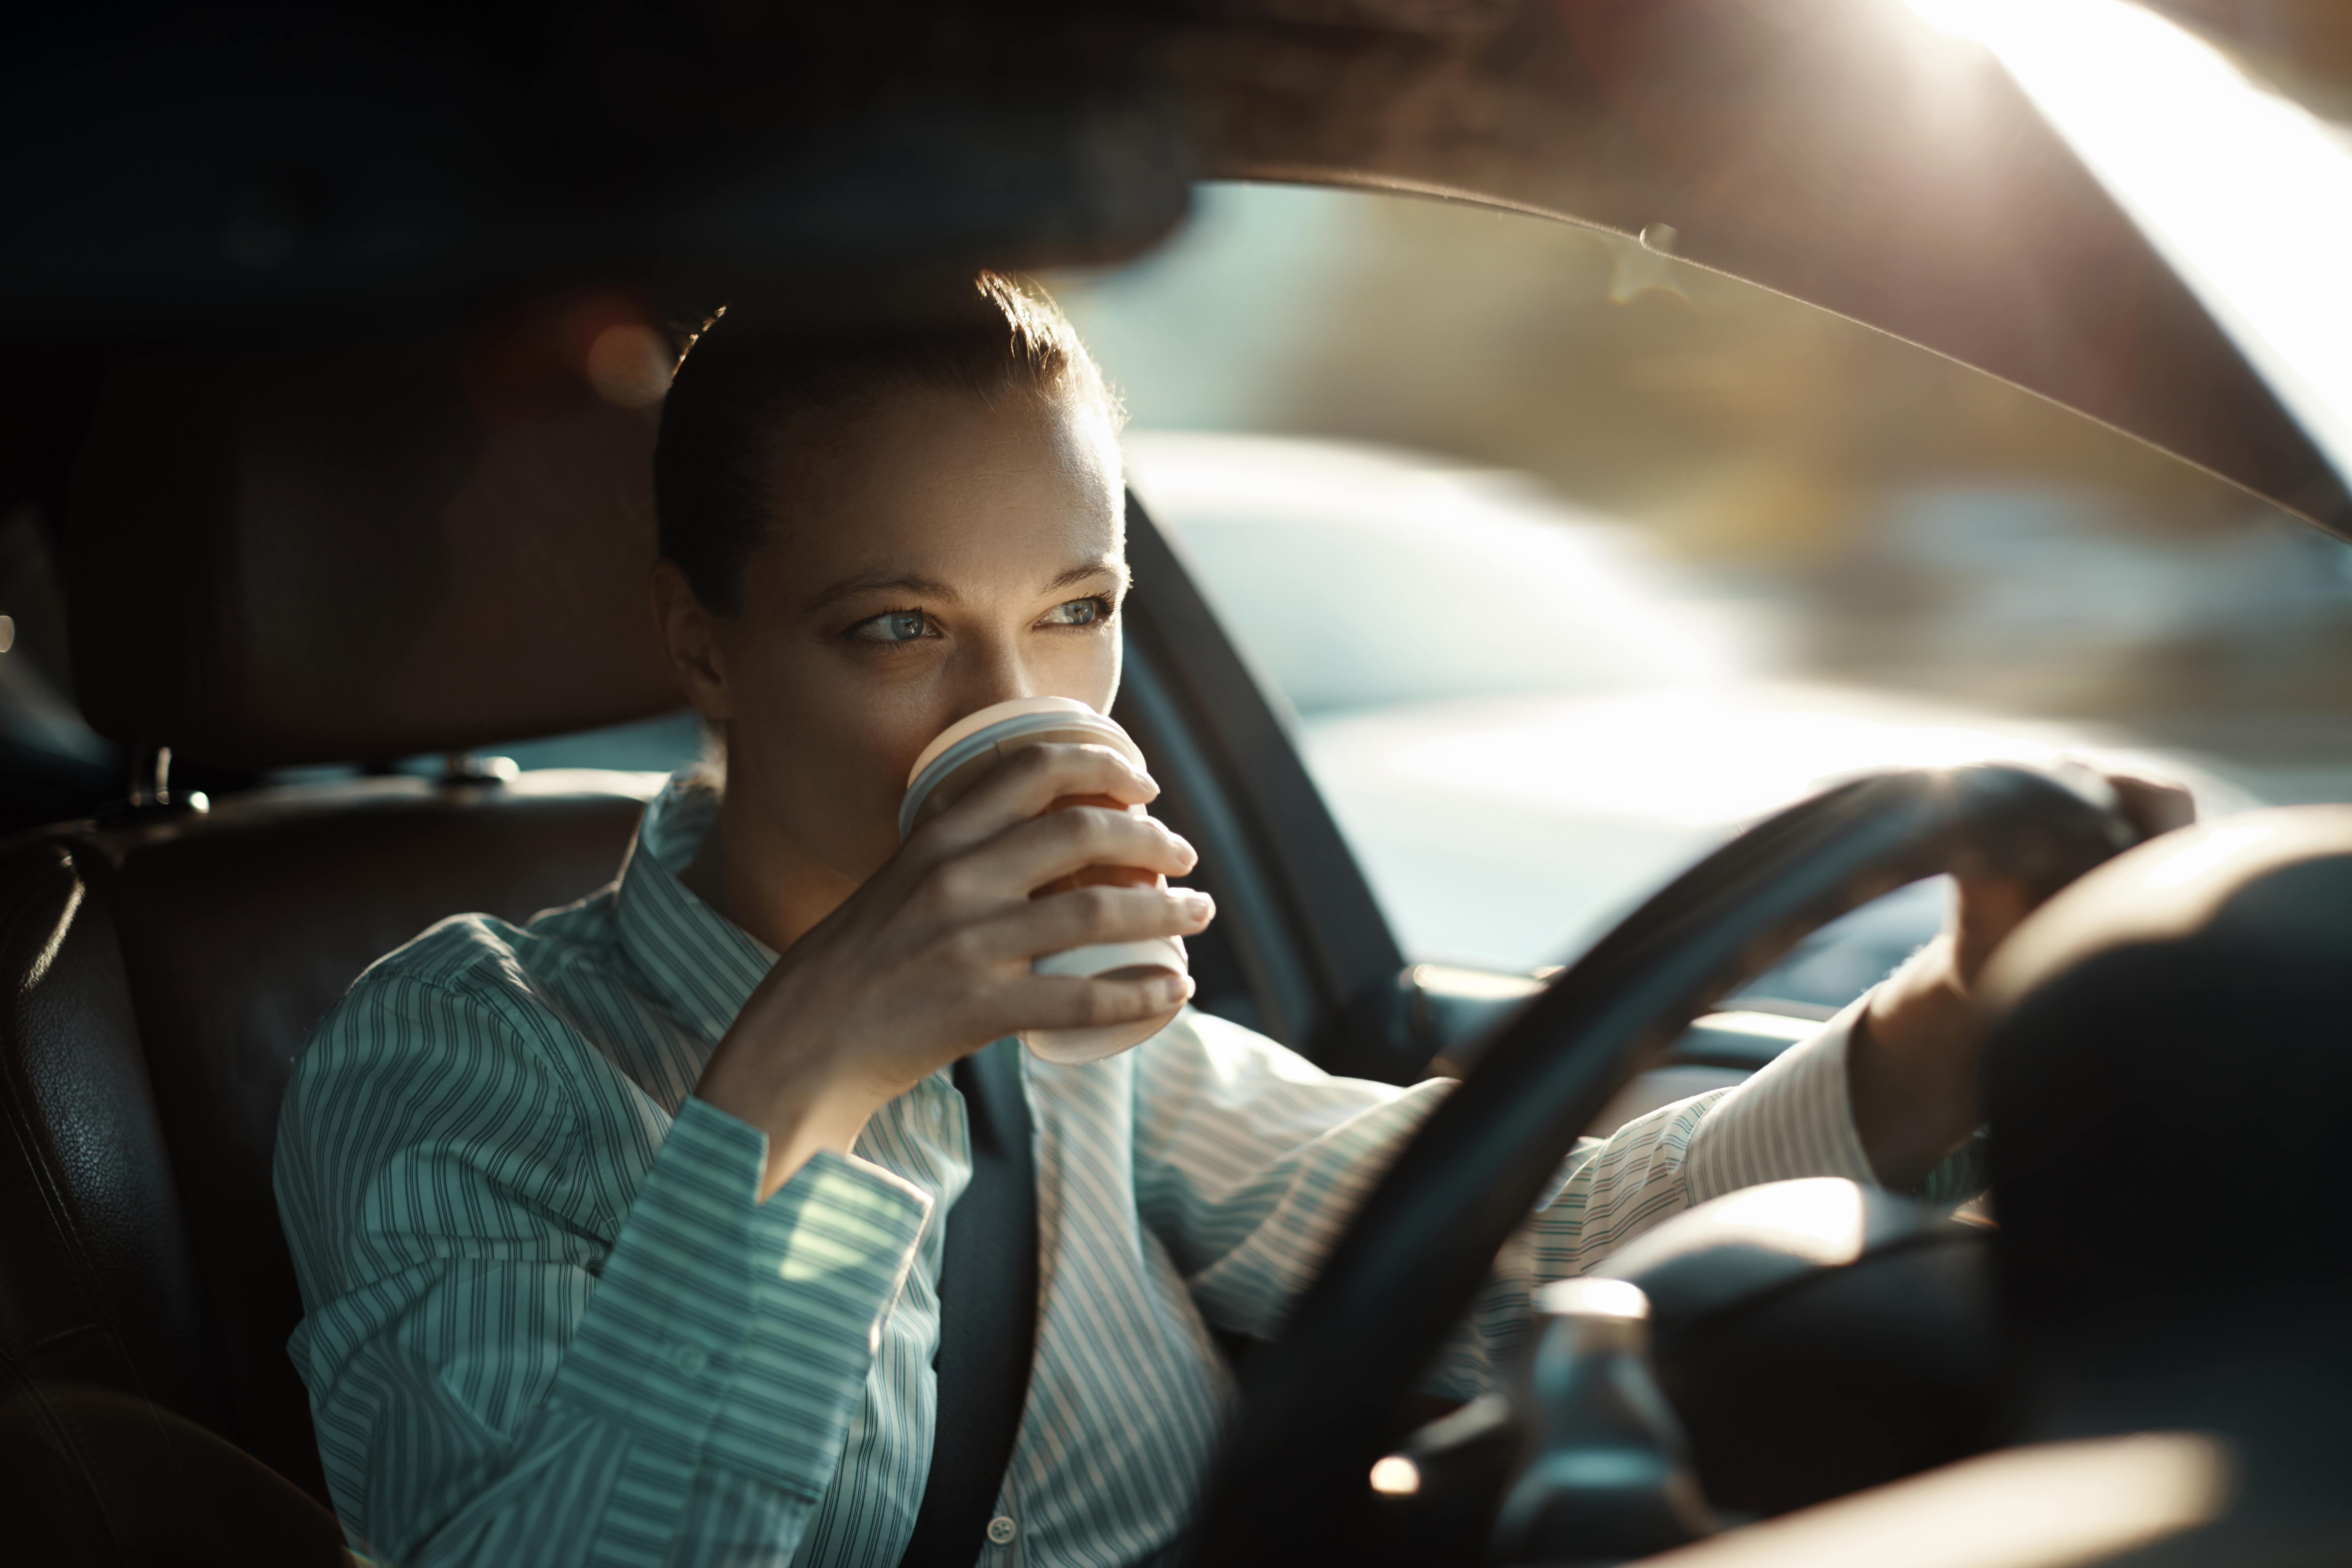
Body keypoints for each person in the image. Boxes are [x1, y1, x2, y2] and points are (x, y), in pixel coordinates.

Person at [273, 273, 2189, 1567]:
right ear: (704, 639)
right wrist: (820, 1065)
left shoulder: (1084, 1037)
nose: (1009, 713)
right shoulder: (458, 1047)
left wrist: (1950, 1018)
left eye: (1076, 614)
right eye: (895, 630)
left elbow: (1505, 1252)